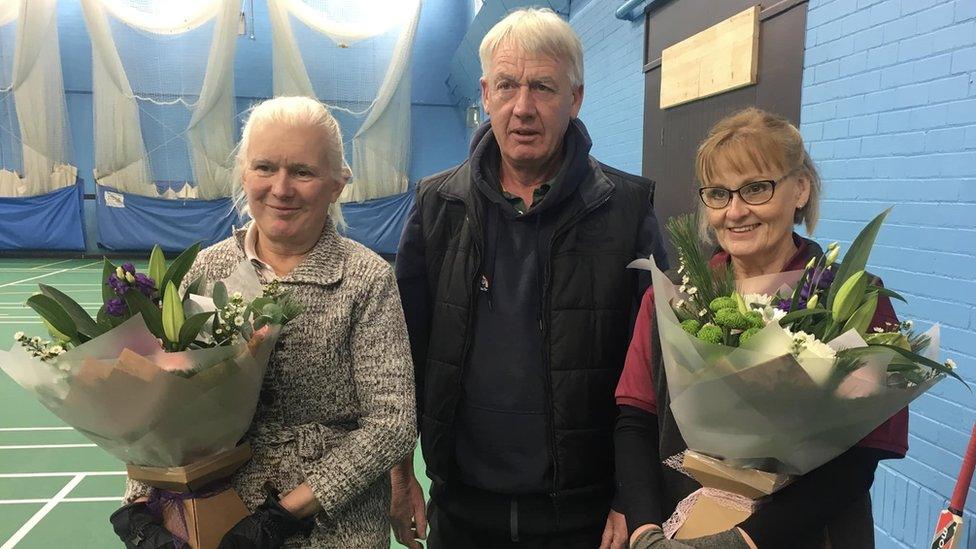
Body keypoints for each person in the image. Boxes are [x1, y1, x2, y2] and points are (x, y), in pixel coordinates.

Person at [391, 7, 668, 549]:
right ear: (485, 93)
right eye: (507, 85)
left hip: (585, 518)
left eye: (543, 87)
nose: (523, 108)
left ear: (576, 98)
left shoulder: (628, 210)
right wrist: (403, 476)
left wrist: (633, 495)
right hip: (463, 510)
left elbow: (657, 366)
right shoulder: (435, 206)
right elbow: (400, 356)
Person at [109, 96, 417, 548]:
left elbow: (392, 422)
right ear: (244, 174)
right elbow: (159, 406)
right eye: (265, 167)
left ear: (337, 184)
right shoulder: (203, 272)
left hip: (333, 531)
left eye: (303, 172)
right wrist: (140, 506)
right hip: (211, 521)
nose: (281, 188)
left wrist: (285, 515)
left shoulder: (367, 280)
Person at [613, 107, 909, 548]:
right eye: (718, 193)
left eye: (756, 188)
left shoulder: (854, 301)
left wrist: (741, 543)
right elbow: (636, 419)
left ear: (801, 189)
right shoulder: (670, 299)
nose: (735, 211)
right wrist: (643, 531)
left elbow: (862, 455)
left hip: (811, 536)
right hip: (681, 533)